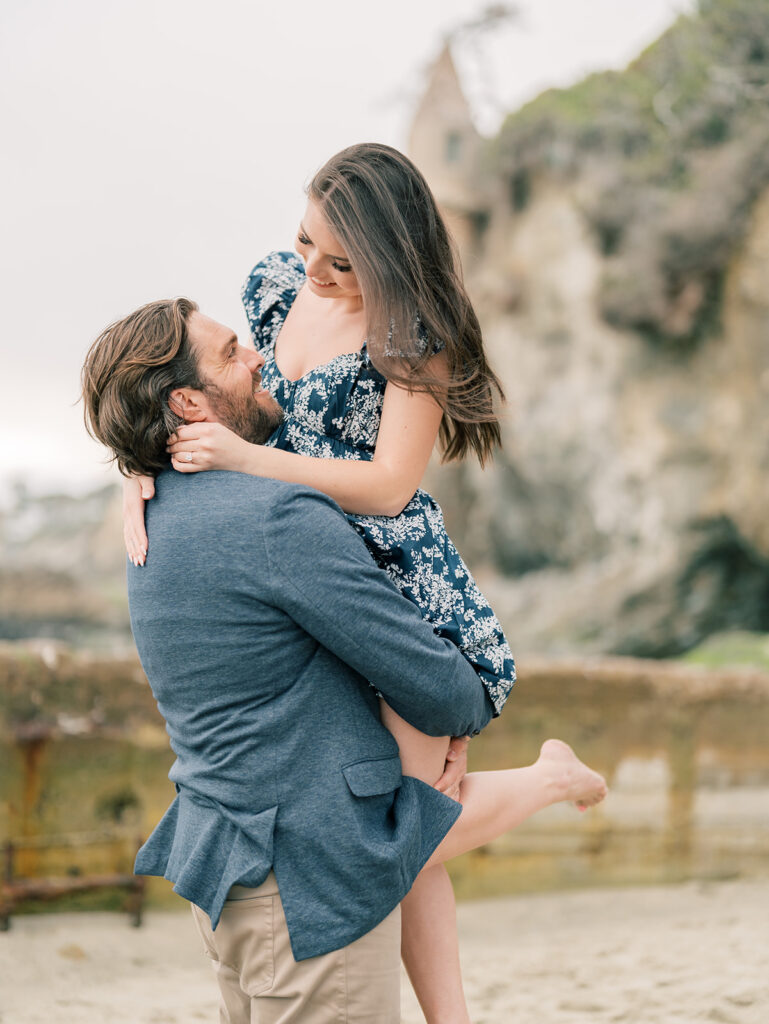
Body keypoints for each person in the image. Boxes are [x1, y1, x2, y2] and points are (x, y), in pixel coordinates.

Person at [119, 145, 603, 1023]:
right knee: (398, 833)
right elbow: (205, 388)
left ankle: (547, 782)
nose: (315, 270)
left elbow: (387, 485)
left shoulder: (416, 338)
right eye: (305, 241)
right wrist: (137, 468)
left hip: (390, 579)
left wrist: (246, 461)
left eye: (340, 262)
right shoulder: (275, 285)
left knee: (403, 836)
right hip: (303, 579)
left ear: (387, 255)